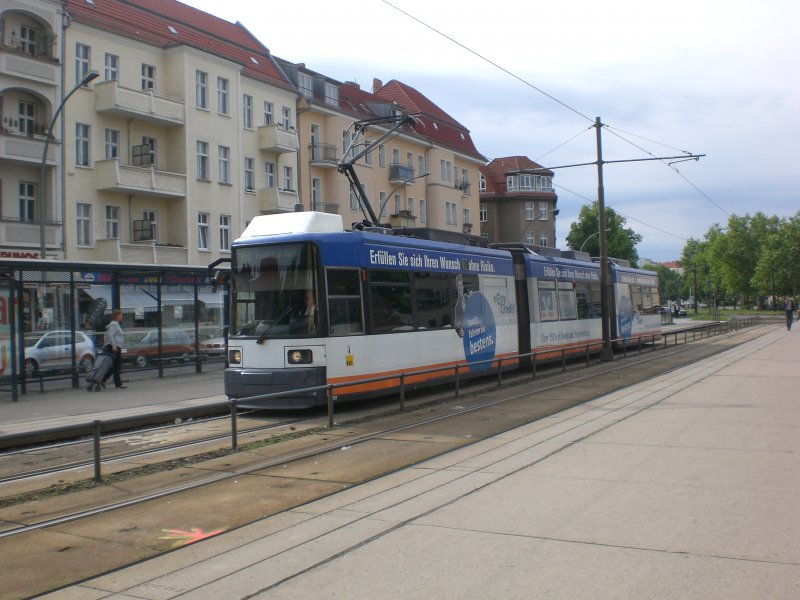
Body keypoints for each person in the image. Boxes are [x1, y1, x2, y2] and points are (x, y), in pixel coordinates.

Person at [102, 309, 126, 389]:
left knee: (115, 365)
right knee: (116, 365)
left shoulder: (115, 324)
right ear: (117, 316)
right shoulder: (114, 325)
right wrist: (114, 346)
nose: (122, 316)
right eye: (121, 315)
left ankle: (105, 380)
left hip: (116, 346)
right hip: (115, 347)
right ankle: (114, 383)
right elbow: (110, 335)